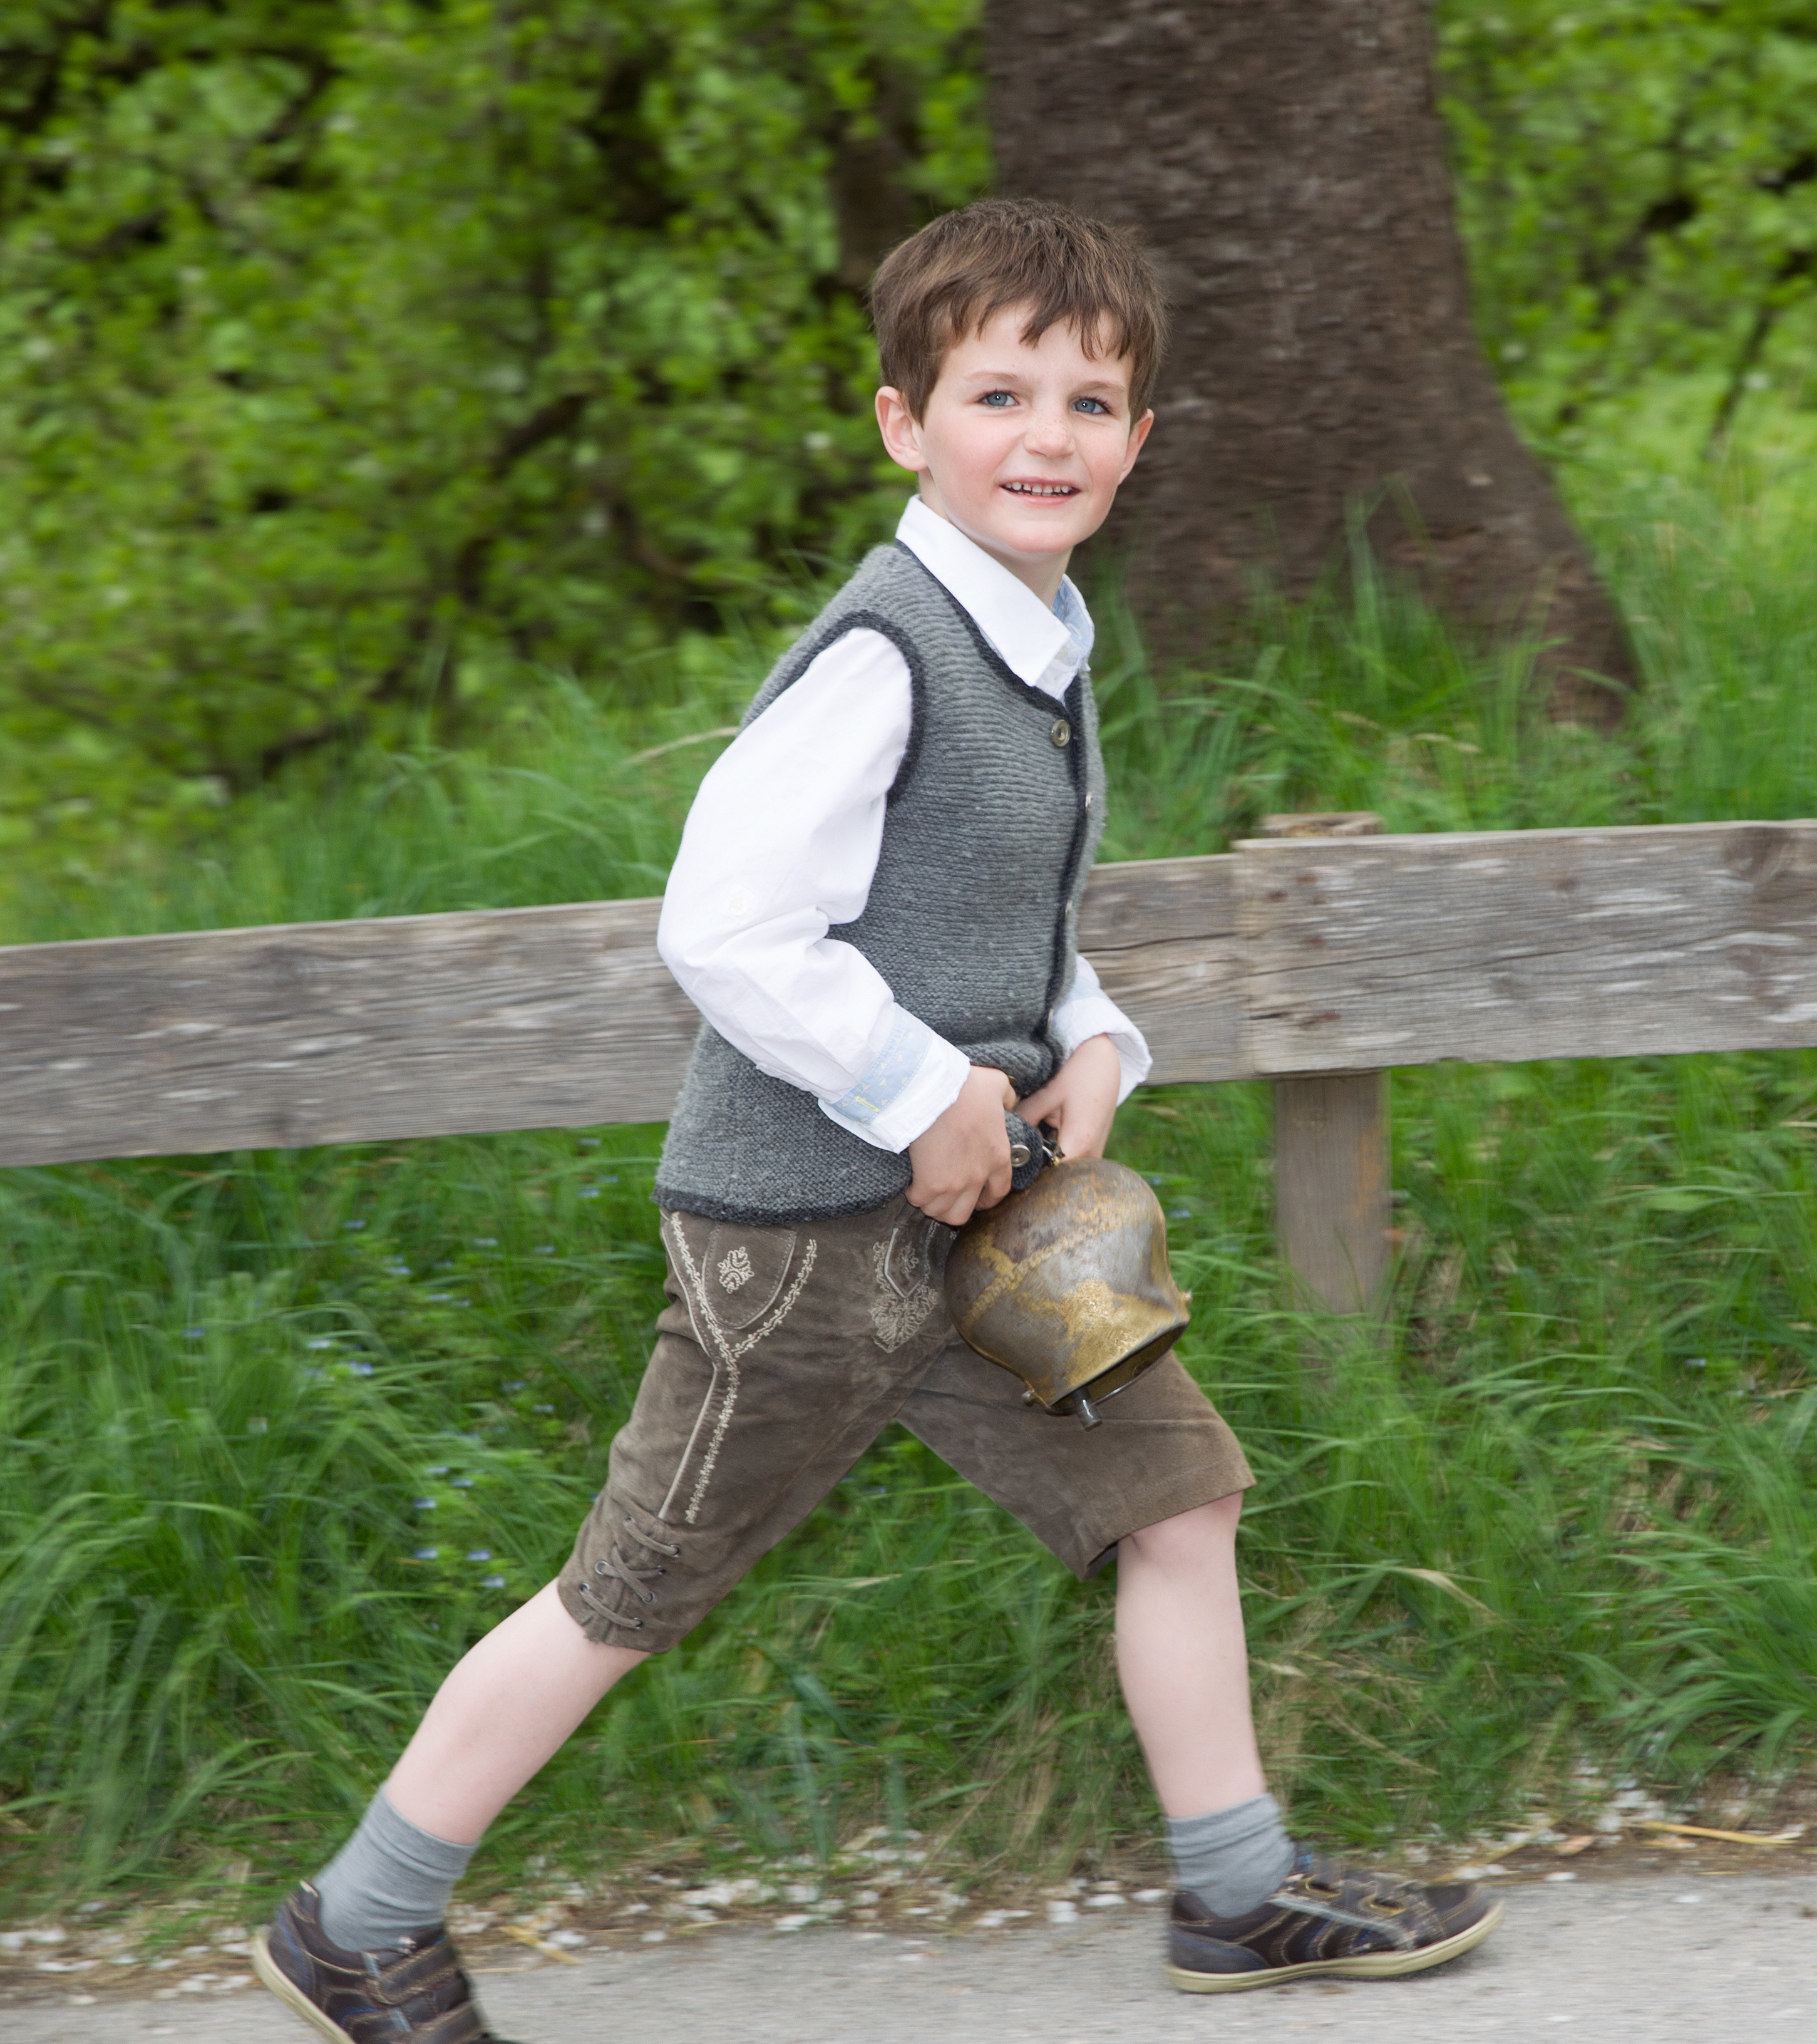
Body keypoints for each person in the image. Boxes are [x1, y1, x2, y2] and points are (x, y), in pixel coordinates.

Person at [249, 197, 1500, 2043]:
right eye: (1002, 393)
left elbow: (1004, 915)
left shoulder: (1042, 638)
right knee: (634, 1586)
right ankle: (359, 1919)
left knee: (1181, 1499)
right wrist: (921, 1096)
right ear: (908, 421)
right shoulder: (883, 652)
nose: (1050, 436)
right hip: (801, 1244)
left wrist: (1092, 1045)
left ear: (1140, 443)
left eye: (1093, 403)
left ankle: (1237, 1892)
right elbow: (730, 928)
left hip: (990, 1221)